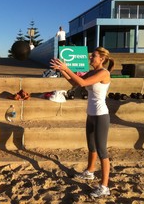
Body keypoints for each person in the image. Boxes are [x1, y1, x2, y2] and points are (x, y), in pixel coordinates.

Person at [50, 46, 114, 198]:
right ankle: (90, 172)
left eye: (93, 56)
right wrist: (62, 70)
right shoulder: (92, 72)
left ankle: (104, 187)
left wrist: (67, 67)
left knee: (102, 151)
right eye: (91, 56)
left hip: (101, 115)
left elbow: (83, 83)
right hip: (91, 114)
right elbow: (76, 83)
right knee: (91, 147)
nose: (90, 58)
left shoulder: (103, 73)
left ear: (102, 59)